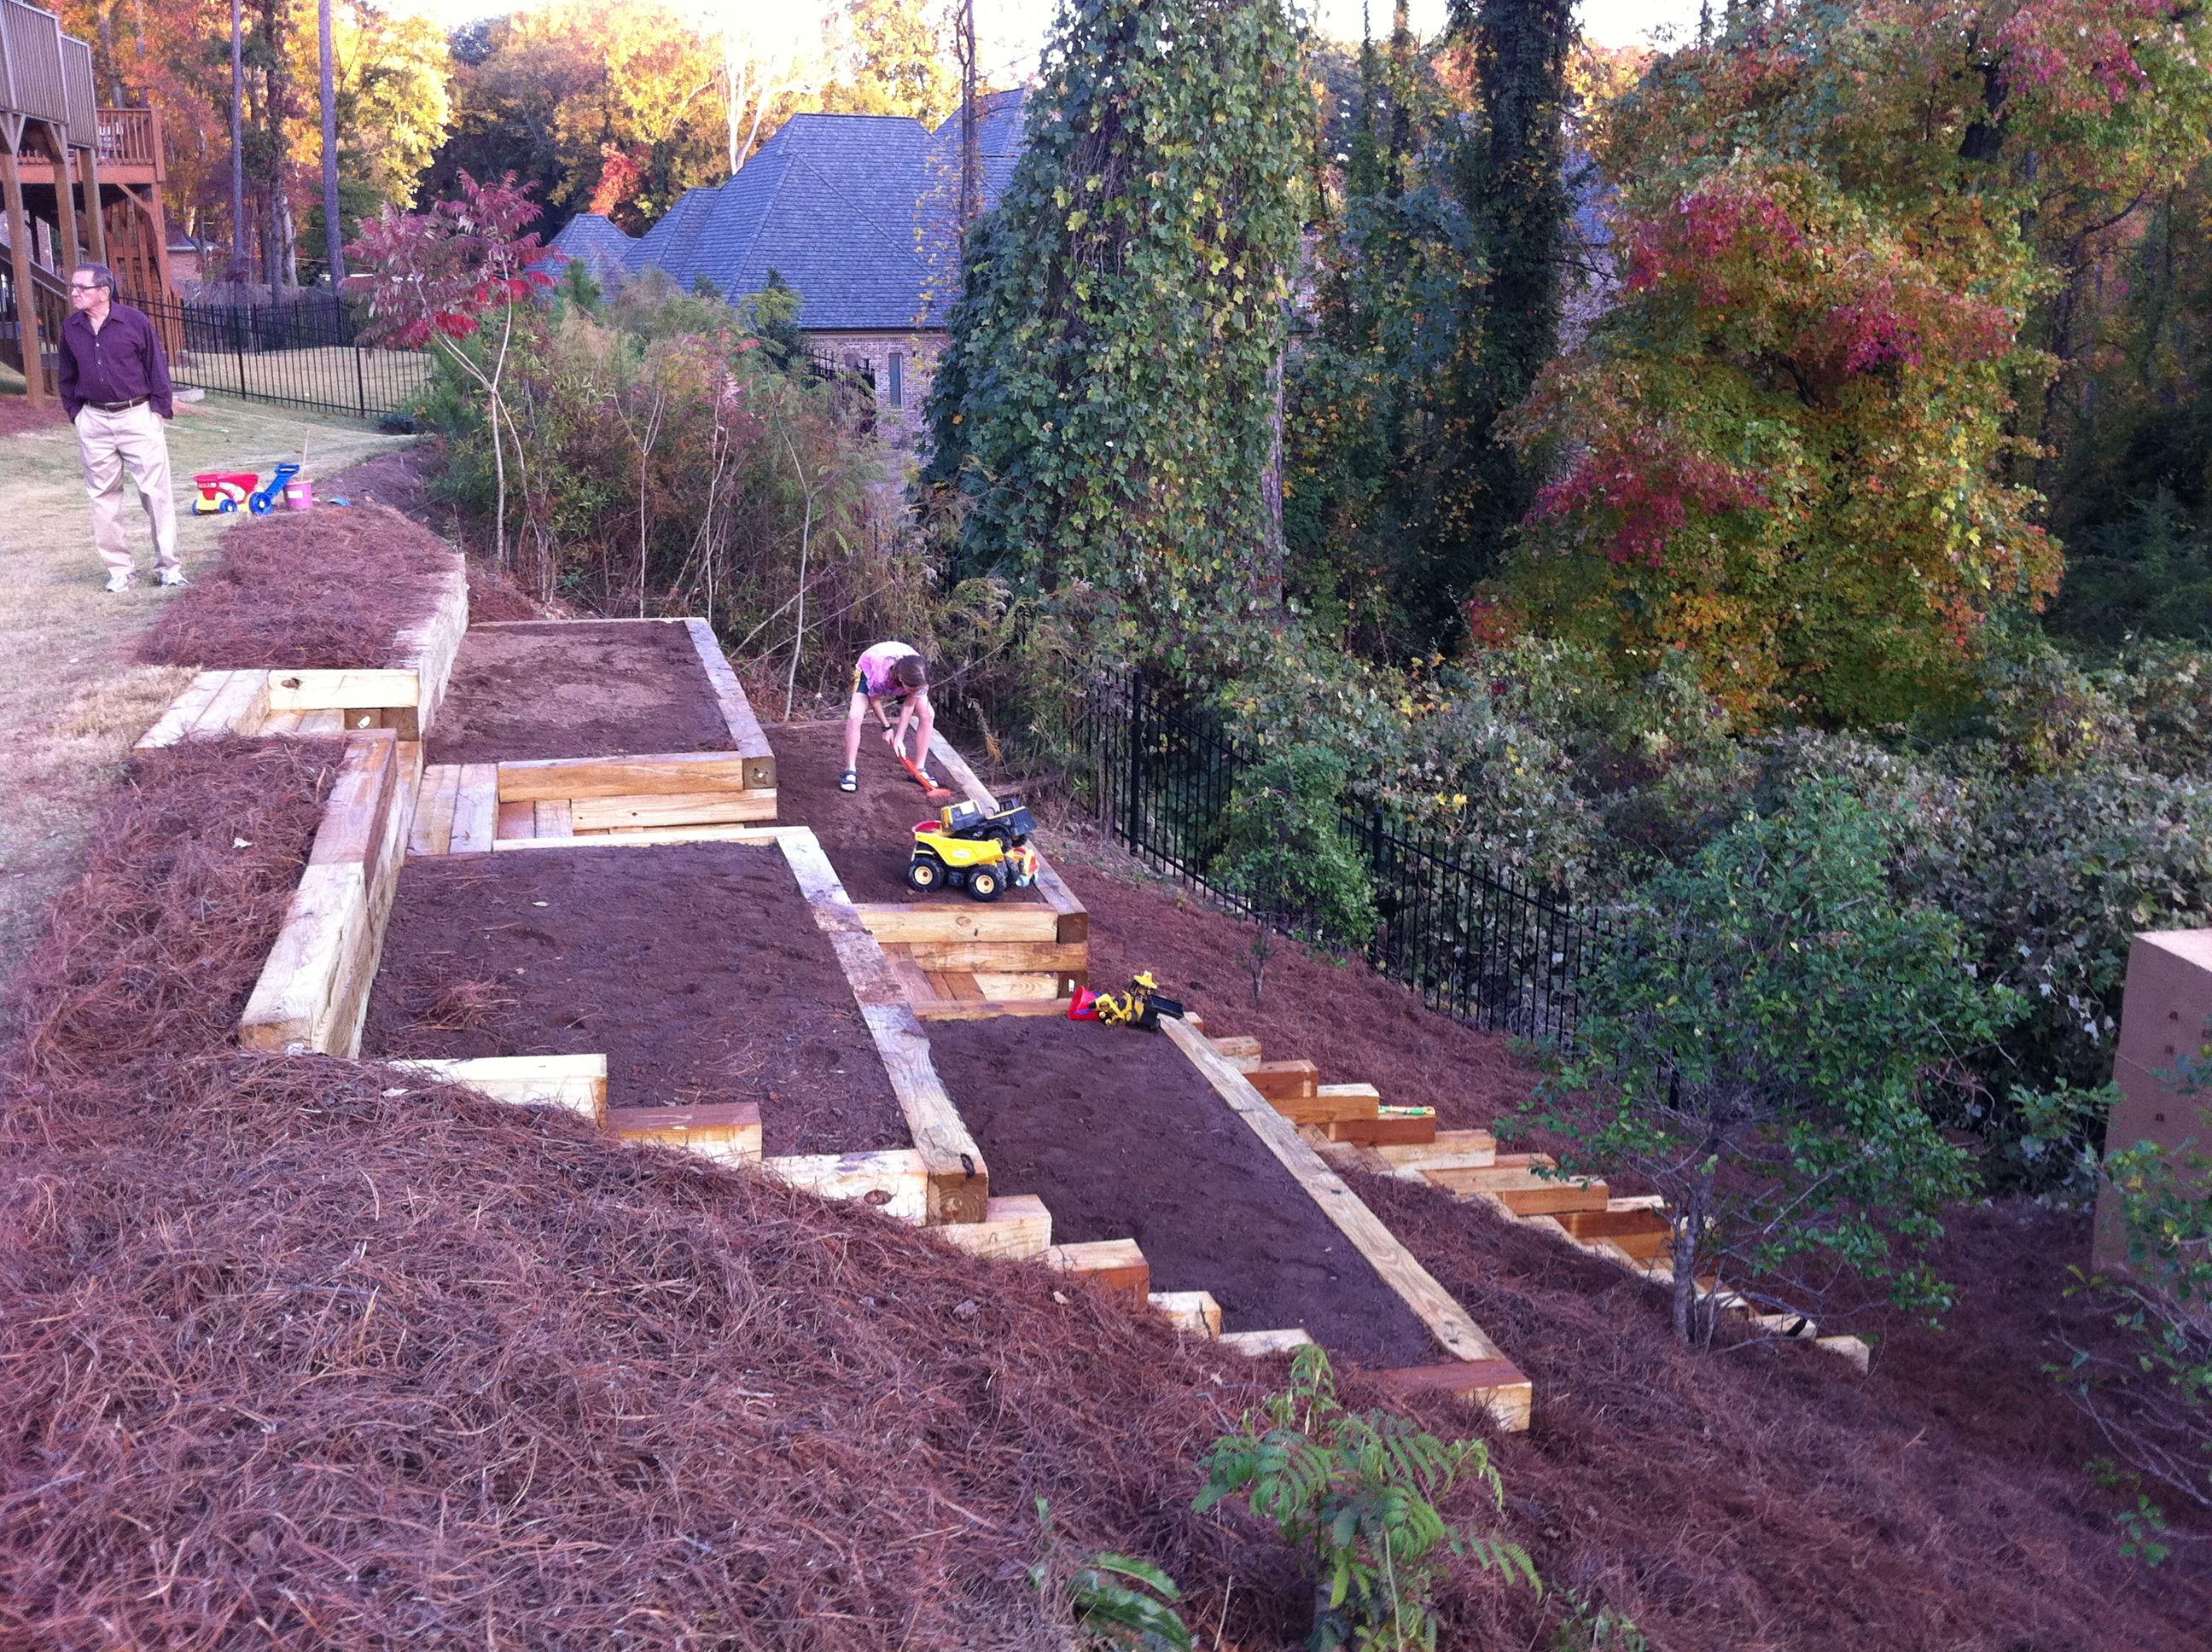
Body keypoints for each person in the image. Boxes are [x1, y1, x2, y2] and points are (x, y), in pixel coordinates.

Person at [57, 262, 183, 593]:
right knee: (103, 497)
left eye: (81, 287)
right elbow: (66, 375)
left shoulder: (135, 322)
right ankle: (120, 571)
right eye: (73, 286)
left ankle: (169, 567)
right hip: (93, 421)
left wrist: (158, 411)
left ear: (104, 292)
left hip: (138, 416)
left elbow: (157, 366)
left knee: (155, 493)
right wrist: (76, 414)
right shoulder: (71, 327)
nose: (74, 293)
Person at [842, 641, 936, 794]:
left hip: (905, 675)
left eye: (916, 689)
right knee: (855, 716)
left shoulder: (921, 678)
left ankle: (919, 770)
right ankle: (849, 770)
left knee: (928, 714)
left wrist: (899, 738)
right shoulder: (880, 674)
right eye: (911, 689)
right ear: (900, 679)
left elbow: (908, 706)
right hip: (868, 670)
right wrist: (886, 727)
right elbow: (875, 700)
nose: (914, 692)